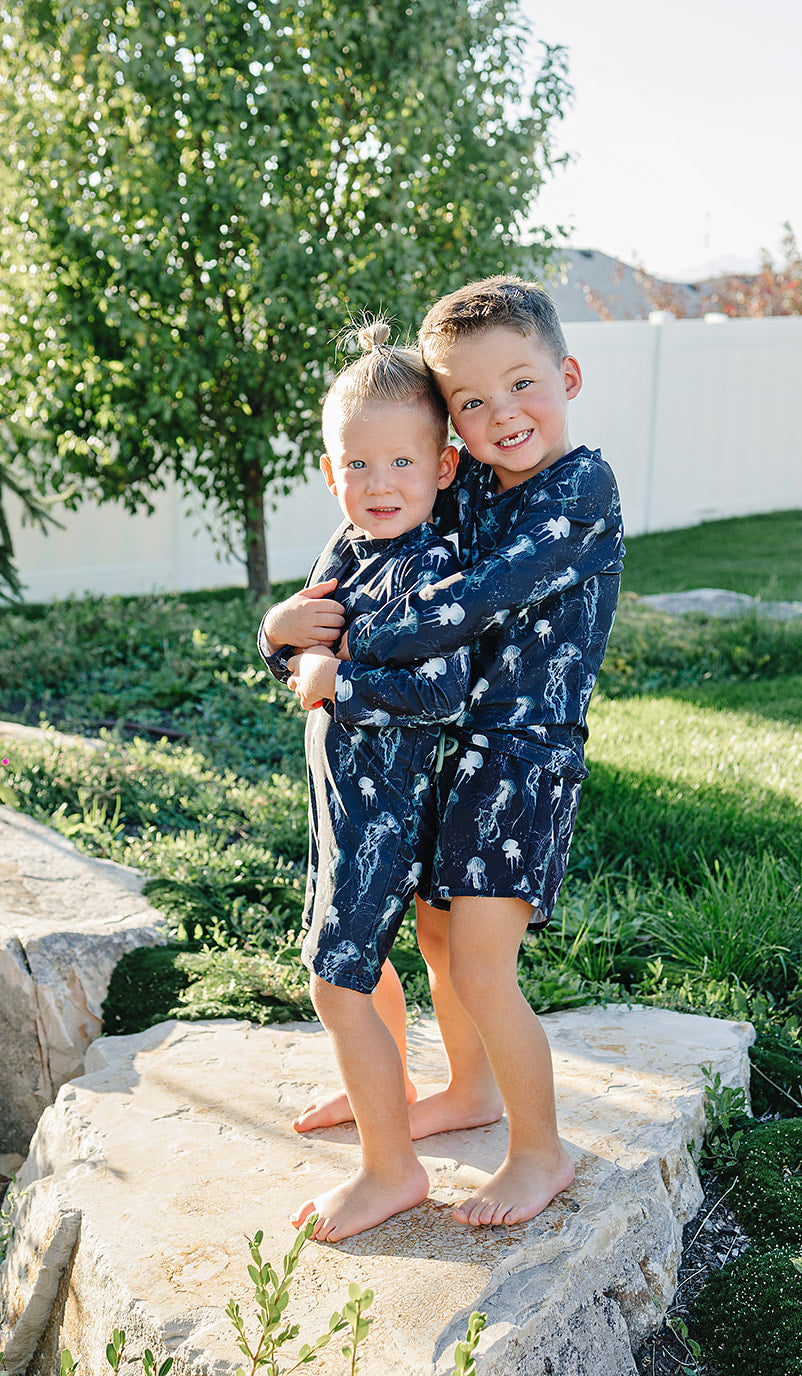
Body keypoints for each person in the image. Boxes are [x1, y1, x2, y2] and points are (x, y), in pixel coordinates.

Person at [282, 276, 623, 1228]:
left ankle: (538, 1150)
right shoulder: (465, 476)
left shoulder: (579, 489)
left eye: (520, 386)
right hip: (448, 754)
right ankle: (468, 1095)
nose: (499, 415)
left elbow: (468, 604)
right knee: (435, 941)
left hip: (521, 758)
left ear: (568, 373)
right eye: (470, 402)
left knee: (480, 967)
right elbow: (378, 527)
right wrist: (294, 621)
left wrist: (345, 647)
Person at [258, 323, 470, 1242]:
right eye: (357, 463)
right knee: (366, 962)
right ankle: (392, 1090)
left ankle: (392, 1170)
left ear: (443, 467)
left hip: (393, 807)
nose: (378, 484)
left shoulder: (431, 566)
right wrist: (275, 633)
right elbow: (300, 649)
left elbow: (441, 690)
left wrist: (338, 682)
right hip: (342, 802)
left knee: (334, 980)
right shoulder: (349, 545)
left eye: (399, 462)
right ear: (328, 467)